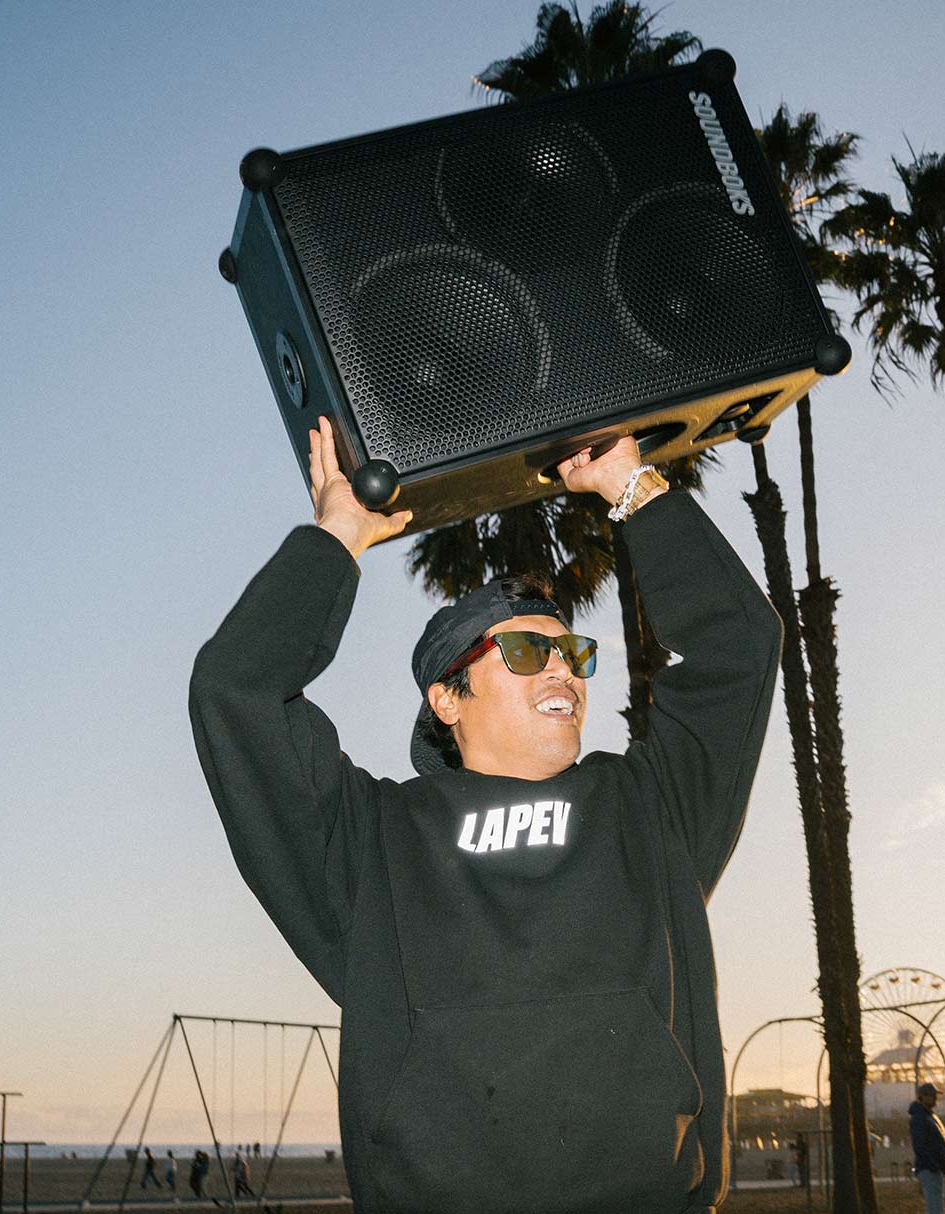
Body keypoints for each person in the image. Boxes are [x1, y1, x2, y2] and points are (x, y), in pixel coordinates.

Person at [189, 422, 779, 1214]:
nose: (564, 666)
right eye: (528, 653)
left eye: (573, 651)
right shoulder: (373, 842)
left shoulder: (651, 807)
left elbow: (739, 646)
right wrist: (340, 532)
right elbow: (237, 692)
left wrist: (630, 485)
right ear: (447, 698)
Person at [909, 1083, 945, 1214]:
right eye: (932, 1095)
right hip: (930, 1170)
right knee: (935, 1208)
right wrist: (933, 1166)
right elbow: (919, 1145)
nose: (935, 1098)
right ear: (922, 1097)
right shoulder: (920, 1118)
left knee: (939, 1207)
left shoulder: (929, 1116)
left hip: (936, 1169)